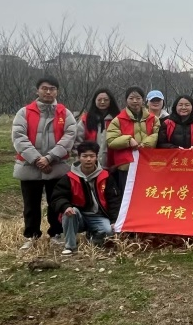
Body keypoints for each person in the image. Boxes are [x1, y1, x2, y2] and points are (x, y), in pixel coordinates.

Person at [12, 76, 77, 250]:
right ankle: (31, 236)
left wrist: (49, 157)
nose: (48, 92)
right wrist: (37, 159)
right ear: (37, 90)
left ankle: (56, 233)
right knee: (31, 204)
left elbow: (69, 137)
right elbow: (19, 137)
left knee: (56, 202)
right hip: (29, 167)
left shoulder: (65, 113)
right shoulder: (24, 112)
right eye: (44, 88)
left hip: (56, 166)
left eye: (52, 89)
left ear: (57, 91)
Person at [51, 141, 122, 255]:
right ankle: (70, 246)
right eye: (84, 156)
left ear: (96, 157)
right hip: (78, 215)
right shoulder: (69, 177)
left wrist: (114, 221)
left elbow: (114, 200)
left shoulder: (106, 176)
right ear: (79, 157)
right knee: (69, 213)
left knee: (108, 232)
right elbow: (58, 197)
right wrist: (66, 206)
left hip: (99, 216)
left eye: (92, 156)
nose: (88, 159)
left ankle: (93, 236)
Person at [106, 87, 161, 179]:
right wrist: (128, 140)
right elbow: (111, 140)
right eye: (131, 98)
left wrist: (145, 144)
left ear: (143, 100)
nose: (135, 101)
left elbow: (157, 135)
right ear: (126, 100)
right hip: (126, 165)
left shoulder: (153, 119)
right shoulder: (118, 120)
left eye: (138, 98)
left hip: (148, 162)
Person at [76, 88, 120, 169]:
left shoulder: (118, 119)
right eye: (99, 100)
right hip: (89, 165)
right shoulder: (86, 119)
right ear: (94, 101)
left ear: (111, 101)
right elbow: (78, 141)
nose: (102, 102)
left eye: (106, 100)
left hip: (113, 165)